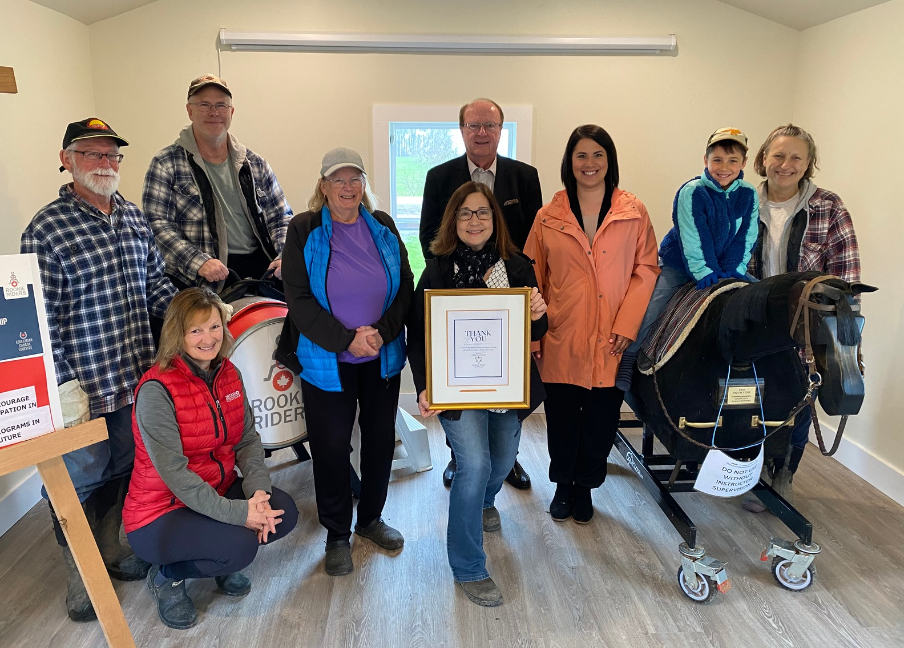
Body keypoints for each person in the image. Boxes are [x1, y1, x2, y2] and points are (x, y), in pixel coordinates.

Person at [20, 118, 177, 622]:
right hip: (82, 387)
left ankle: (112, 549)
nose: (105, 163)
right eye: (92, 154)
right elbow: (38, 321)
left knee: (125, 468)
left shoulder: (133, 218)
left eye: (112, 155)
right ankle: (81, 574)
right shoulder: (46, 229)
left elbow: (156, 288)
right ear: (66, 160)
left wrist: (197, 315)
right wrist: (63, 386)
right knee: (77, 479)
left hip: (134, 378)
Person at [408, 182, 548, 607]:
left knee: (503, 460)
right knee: (475, 464)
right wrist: (424, 384)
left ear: (495, 219)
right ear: (454, 220)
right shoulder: (437, 270)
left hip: (507, 386)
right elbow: (418, 332)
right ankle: (468, 565)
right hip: (457, 390)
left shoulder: (518, 266)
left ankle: (486, 501)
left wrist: (539, 315)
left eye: (482, 212)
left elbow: (536, 332)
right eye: (465, 213)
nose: (474, 220)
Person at [123, 288, 298, 629]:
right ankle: (168, 577)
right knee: (240, 548)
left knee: (284, 513)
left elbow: (247, 439)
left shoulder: (228, 372)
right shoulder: (156, 389)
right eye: (196, 330)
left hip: (216, 489)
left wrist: (258, 492)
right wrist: (240, 512)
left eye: (215, 326)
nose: (209, 338)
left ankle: (217, 550)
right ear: (177, 334)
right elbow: (175, 474)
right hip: (160, 511)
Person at [277, 147, 413, 576]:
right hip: (325, 360)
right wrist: (346, 340)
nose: (348, 187)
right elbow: (297, 297)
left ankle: (370, 519)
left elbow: (405, 285)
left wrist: (379, 335)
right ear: (323, 186)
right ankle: (337, 534)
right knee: (332, 447)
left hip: (381, 356)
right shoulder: (303, 229)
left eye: (355, 179)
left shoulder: (384, 226)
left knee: (378, 441)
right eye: (339, 179)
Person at [523, 125, 659, 524]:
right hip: (561, 335)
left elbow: (646, 269)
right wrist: (535, 336)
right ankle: (564, 487)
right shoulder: (548, 216)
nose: (589, 164)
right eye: (581, 155)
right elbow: (533, 277)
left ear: (609, 161)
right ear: (569, 162)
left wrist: (628, 324)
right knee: (563, 420)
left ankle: (586, 488)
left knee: (601, 421)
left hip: (613, 339)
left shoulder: (633, 212)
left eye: (597, 155)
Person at [419, 98, 543, 490]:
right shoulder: (440, 176)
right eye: (474, 126)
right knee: (463, 396)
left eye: (489, 125)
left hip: (508, 295)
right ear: (462, 130)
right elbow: (428, 236)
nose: (482, 133)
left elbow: (532, 239)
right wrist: (456, 289)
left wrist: (512, 287)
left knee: (504, 400)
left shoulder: (525, 176)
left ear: (500, 130)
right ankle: (462, 458)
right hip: (456, 302)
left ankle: (506, 462)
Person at [744, 123, 861, 510]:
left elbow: (847, 277)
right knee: (751, 399)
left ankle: (784, 472)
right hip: (756, 319)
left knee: (798, 400)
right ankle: (751, 467)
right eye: (778, 155)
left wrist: (844, 335)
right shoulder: (743, 200)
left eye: (796, 156)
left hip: (806, 329)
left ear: (809, 163)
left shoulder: (828, 207)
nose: (785, 164)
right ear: (763, 159)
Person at [615, 127, 759, 392]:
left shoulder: (749, 194)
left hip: (726, 266)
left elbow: (747, 235)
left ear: (743, 164)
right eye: (717, 160)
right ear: (705, 160)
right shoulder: (692, 192)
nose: (724, 167)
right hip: (680, 265)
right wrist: (705, 271)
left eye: (732, 161)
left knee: (760, 295)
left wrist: (734, 269)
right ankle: (630, 356)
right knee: (651, 306)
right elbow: (694, 236)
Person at [143, 74, 294, 290]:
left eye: (221, 105)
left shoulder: (256, 164)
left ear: (231, 112)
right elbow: (157, 225)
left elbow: (281, 218)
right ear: (190, 111)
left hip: (263, 272)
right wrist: (198, 262)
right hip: (200, 279)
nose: (214, 112)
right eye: (204, 104)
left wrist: (283, 256)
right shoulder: (165, 164)